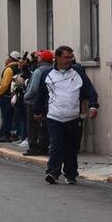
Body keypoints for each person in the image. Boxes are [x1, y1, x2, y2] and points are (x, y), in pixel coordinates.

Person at [34, 46, 99, 185]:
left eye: (71, 57)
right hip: (54, 116)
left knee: (71, 147)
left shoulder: (78, 73)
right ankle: (53, 172)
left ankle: (70, 173)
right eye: (66, 57)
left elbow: (90, 90)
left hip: (73, 117)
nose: (69, 60)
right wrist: (37, 111)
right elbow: (41, 94)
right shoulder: (47, 74)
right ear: (57, 58)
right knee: (56, 144)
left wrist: (93, 106)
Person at [23, 50, 54, 157]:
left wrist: (25, 96)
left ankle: (33, 147)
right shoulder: (53, 69)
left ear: (42, 59)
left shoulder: (39, 71)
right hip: (48, 102)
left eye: (39, 57)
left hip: (34, 102)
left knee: (32, 125)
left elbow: (34, 88)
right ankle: (43, 146)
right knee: (44, 126)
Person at [0, 51, 21, 143]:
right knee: (11, 117)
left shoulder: (9, 69)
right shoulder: (19, 68)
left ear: (10, 59)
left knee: (6, 117)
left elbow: (5, 84)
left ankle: (5, 135)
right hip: (15, 96)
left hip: (6, 96)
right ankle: (3, 133)